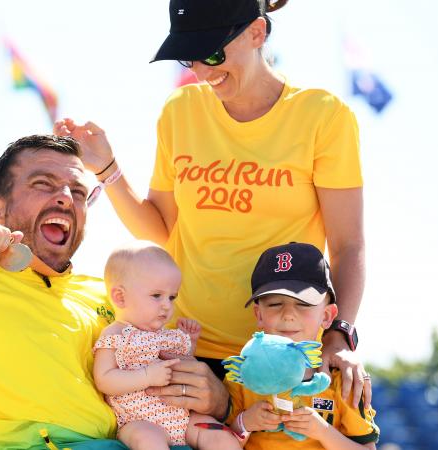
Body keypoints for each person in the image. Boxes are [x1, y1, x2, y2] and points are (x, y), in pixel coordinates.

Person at [54, 0, 370, 409]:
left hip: (280, 357)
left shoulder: (324, 117)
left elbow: (348, 246)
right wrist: (106, 168)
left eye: (214, 53)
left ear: (257, 32)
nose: (202, 71)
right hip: (183, 347)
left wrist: (340, 334)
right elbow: (162, 230)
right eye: (190, 56)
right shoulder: (179, 111)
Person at [0, 135, 228, 449]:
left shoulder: (121, 298)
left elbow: (191, 386)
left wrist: (218, 399)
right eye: (43, 184)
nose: (66, 197)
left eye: (78, 192)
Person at [226, 242, 378, 449]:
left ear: (327, 316)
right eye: (275, 304)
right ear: (258, 314)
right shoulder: (243, 376)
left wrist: (322, 431)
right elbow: (220, 440)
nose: (288, 315)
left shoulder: (343, 381)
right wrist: (244, 423)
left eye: (303, 303)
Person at [94, 242, 241, 450]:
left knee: (222, 436)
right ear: (120, 297)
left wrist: (191, 342)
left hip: (182, 417)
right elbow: (104, 379)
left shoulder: (167, 335)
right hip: (138, 421)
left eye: (172, 297)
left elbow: (183, 364)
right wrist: (146, 376)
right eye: (157, 296)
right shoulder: (115, 334)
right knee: (148, 441)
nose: (167, 305)